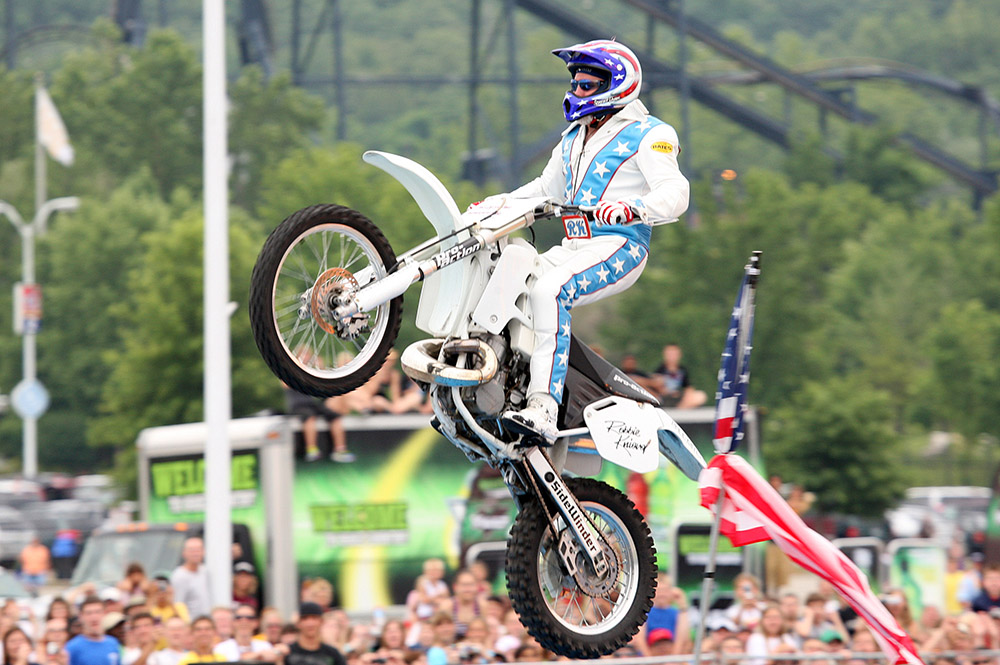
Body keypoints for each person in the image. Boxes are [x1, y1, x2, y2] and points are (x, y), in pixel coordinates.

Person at [487, 38, 688, 442]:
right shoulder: (573, 138)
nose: (575, 91)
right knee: (505, 274)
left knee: (549, 291)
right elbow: (544, 190)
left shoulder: (649, 133)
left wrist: (634, 208)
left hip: (620, 245)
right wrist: (495, 206)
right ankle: (498, 385)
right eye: (574, 82)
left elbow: (676, 193)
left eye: (585, 85)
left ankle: (543, 409)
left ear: (614, 85)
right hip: (574, 246)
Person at [283, 384, 351, 463]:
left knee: (334, 416)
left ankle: (340, 450)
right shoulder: (288, 377)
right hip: (298, 406)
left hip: (312, 405)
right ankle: (311, 450)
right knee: (310, 418)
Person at [276, 603, 345, 665]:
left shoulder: (333, 654)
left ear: (321, 622)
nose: (310, 623)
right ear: (298, 623)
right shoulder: (287, 653)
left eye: (314, 618)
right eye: (305, 618)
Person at [65, 596, 120, 665]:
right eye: (89, 613)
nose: (94, 617)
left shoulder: (113, 643)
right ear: (80, 616)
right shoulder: (72, 647)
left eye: (98, 612)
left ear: (105, 614)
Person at [653, 343, 706, 408]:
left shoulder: (683, 370)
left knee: (700, 396)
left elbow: (688, 388)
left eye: (674, 354)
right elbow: (656, 388)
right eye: (670, 354)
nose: (672, 357)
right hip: (665, 399)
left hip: (680, 399)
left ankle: (680, 410)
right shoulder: (660, 370)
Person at [170, 539, 211, 619]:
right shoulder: (179, 576)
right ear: (184, 553)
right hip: (191, 624)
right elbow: (178, 603)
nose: (195, 554)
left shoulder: (205, 571)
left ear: (203, 552)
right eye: (192, 551)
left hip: (207, 621)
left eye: (198, 550)